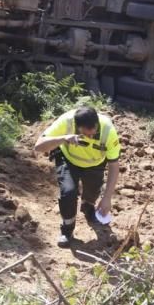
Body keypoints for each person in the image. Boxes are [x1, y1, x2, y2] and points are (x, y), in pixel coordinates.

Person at [33, 105, 121, 248]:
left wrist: (107, 198)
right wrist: (64, 138)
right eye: (86, 134)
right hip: (69, 160)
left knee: (92, 192)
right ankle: (67, 230)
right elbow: (38, 146)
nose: (91, 137)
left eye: (93, 133)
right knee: (68, 192)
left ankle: (88, 207)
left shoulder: (108, 131)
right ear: (77, 126)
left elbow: (114, 166)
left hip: (95, 164)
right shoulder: (66, 121)